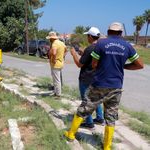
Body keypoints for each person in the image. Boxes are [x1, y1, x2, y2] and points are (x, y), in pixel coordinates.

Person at [64, 22, 144, 150]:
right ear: (121, 33)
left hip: (99, 84)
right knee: (111, 117)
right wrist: (123, 66)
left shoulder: (101, 43)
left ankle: (71, 134)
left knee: (84, 108)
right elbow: (140, 65)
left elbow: (94, 64)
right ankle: (107, 146)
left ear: (108, 31)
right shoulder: (127, 46)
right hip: (116, 86)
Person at [70, 27, 104, 129]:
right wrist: (82, 52)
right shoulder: (101, 47)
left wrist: (74, 54)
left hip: (86, 78)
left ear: (90, 36)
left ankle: (89, 123)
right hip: (97, 78)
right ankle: (99, 118)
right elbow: (91, 58)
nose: (86, 38)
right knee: (96, 99)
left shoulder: (89, 49)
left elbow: (79, 64)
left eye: (87, 36)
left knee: (86, 101)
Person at [46, 31, 67, 97]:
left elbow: (54, 53)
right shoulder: (61, 43)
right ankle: (56, 92)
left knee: (57, 80)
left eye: (50, 38)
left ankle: (58, 95)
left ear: (52, 38)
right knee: (56, 79)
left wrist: (54, 59)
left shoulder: (54, 44)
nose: (49, 40)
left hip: (55, 64)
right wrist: (63, 56)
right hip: (60, 63)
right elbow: (66, 50)